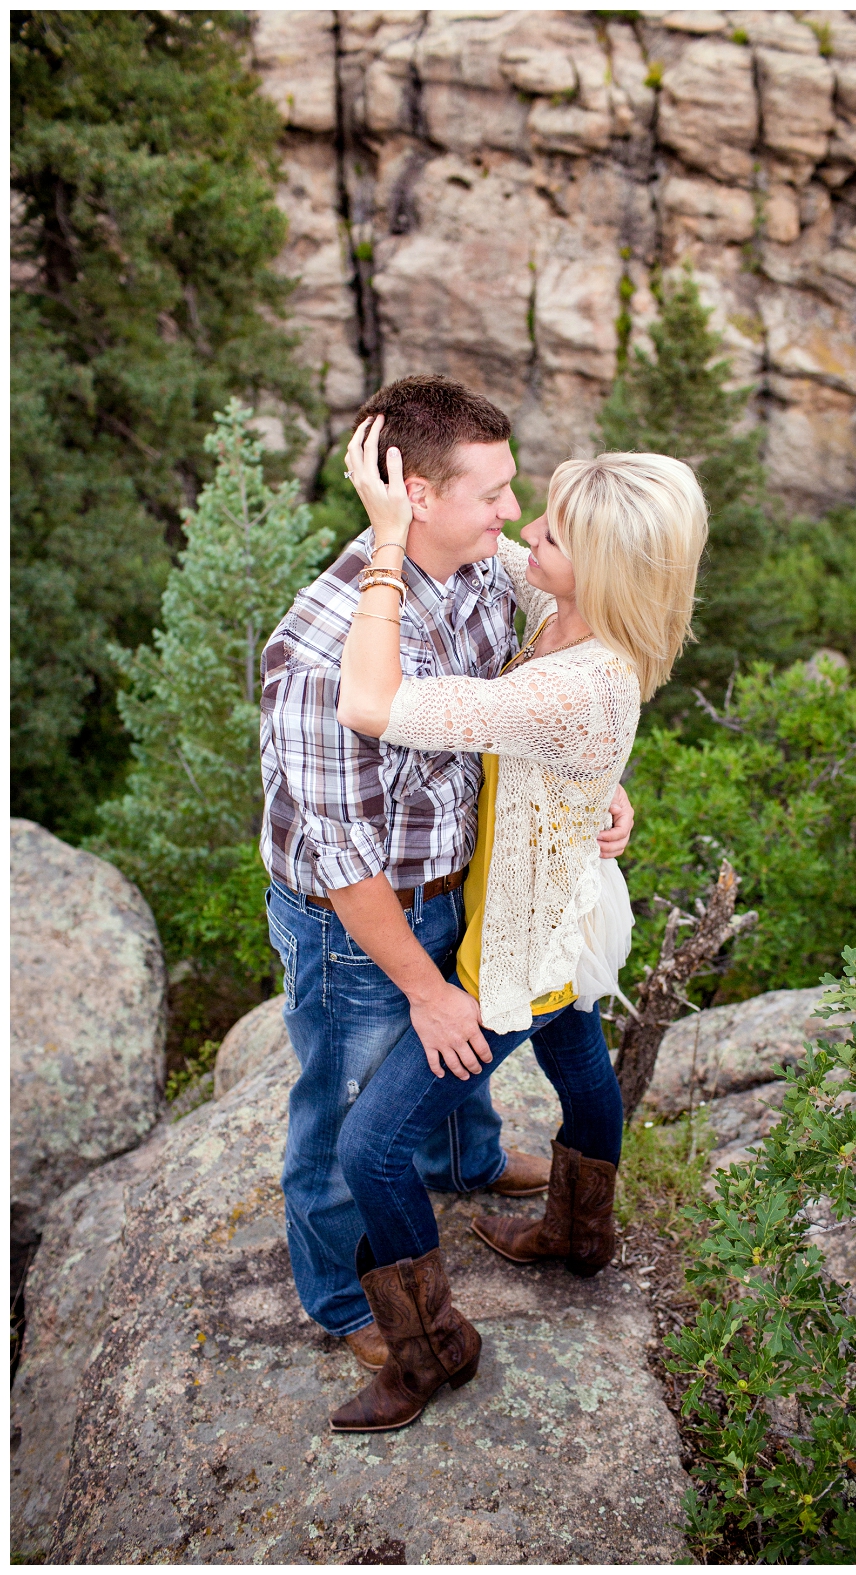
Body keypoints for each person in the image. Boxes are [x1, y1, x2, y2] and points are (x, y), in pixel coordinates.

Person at [324, 417, 708, 1431]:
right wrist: (410, 498)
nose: (522, 527)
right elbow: (487, 538)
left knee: (371, 1148)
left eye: (551, 530)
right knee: (579, 1057)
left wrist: (386, 542)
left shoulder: (569, 684)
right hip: (566, 903)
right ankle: (583, 1234)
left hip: (527, 942)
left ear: (603, 570)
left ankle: (430, 1352)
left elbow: (370, 700)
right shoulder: (561, 600)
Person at [260, 375, 634, 1372]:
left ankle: (463, 1162)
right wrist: (424, 991)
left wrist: (597, 780)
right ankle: (348, 1304)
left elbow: (587, 623)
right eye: (493, 492)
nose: (512, 514)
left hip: (463, 884)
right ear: (413, 498)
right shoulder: (318, 651)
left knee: (460, 1063)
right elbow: (340, 861)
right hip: (361, 922)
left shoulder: (480, 564)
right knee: (343, 1115)